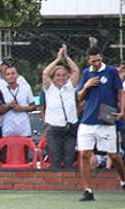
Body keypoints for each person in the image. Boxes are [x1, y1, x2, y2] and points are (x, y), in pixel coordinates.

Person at [76, 46, 125, 200]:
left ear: (101, 57)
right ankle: (88, 191)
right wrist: (86, 85)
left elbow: (120, 92)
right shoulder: (86, 73)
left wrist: (122, 111)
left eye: (98, 59)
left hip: (106, 114)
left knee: (114, 155)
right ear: (88, 60)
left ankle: (123, 180)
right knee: (85, 154)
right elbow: (80, 97)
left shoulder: (111, 71)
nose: (96, 63)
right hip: (88, 119)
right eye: (93, 60)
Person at [42, 44, 80, 170]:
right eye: (58, 75)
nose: (61, 78)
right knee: (55, 159)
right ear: (54, 77)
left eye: (64, 75)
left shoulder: (70, 87)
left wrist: (66, 57)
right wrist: (58, 59)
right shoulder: (49, 88)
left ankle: (69, 186)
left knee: (69, 158)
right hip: (54, 129)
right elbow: (45, 72)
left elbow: (76, 71)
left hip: (70, 127)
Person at [0, 57, 30, 139]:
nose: (8, 66)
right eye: (5, 64)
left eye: (10, 64)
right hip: (0, 123)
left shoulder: (21, 79)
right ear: (0, 66)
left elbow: (28, 99)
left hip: (18, 124)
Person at [0, 65, 36, 138]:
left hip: (24, 129)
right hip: (8, 129)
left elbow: (33, 106)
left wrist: (22, 108)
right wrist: (8, 106)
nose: (11, 76)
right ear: (5, 77)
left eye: (13, 73)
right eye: (8, 74)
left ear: (17, 75)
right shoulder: (1, 91)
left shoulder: (26, 88)